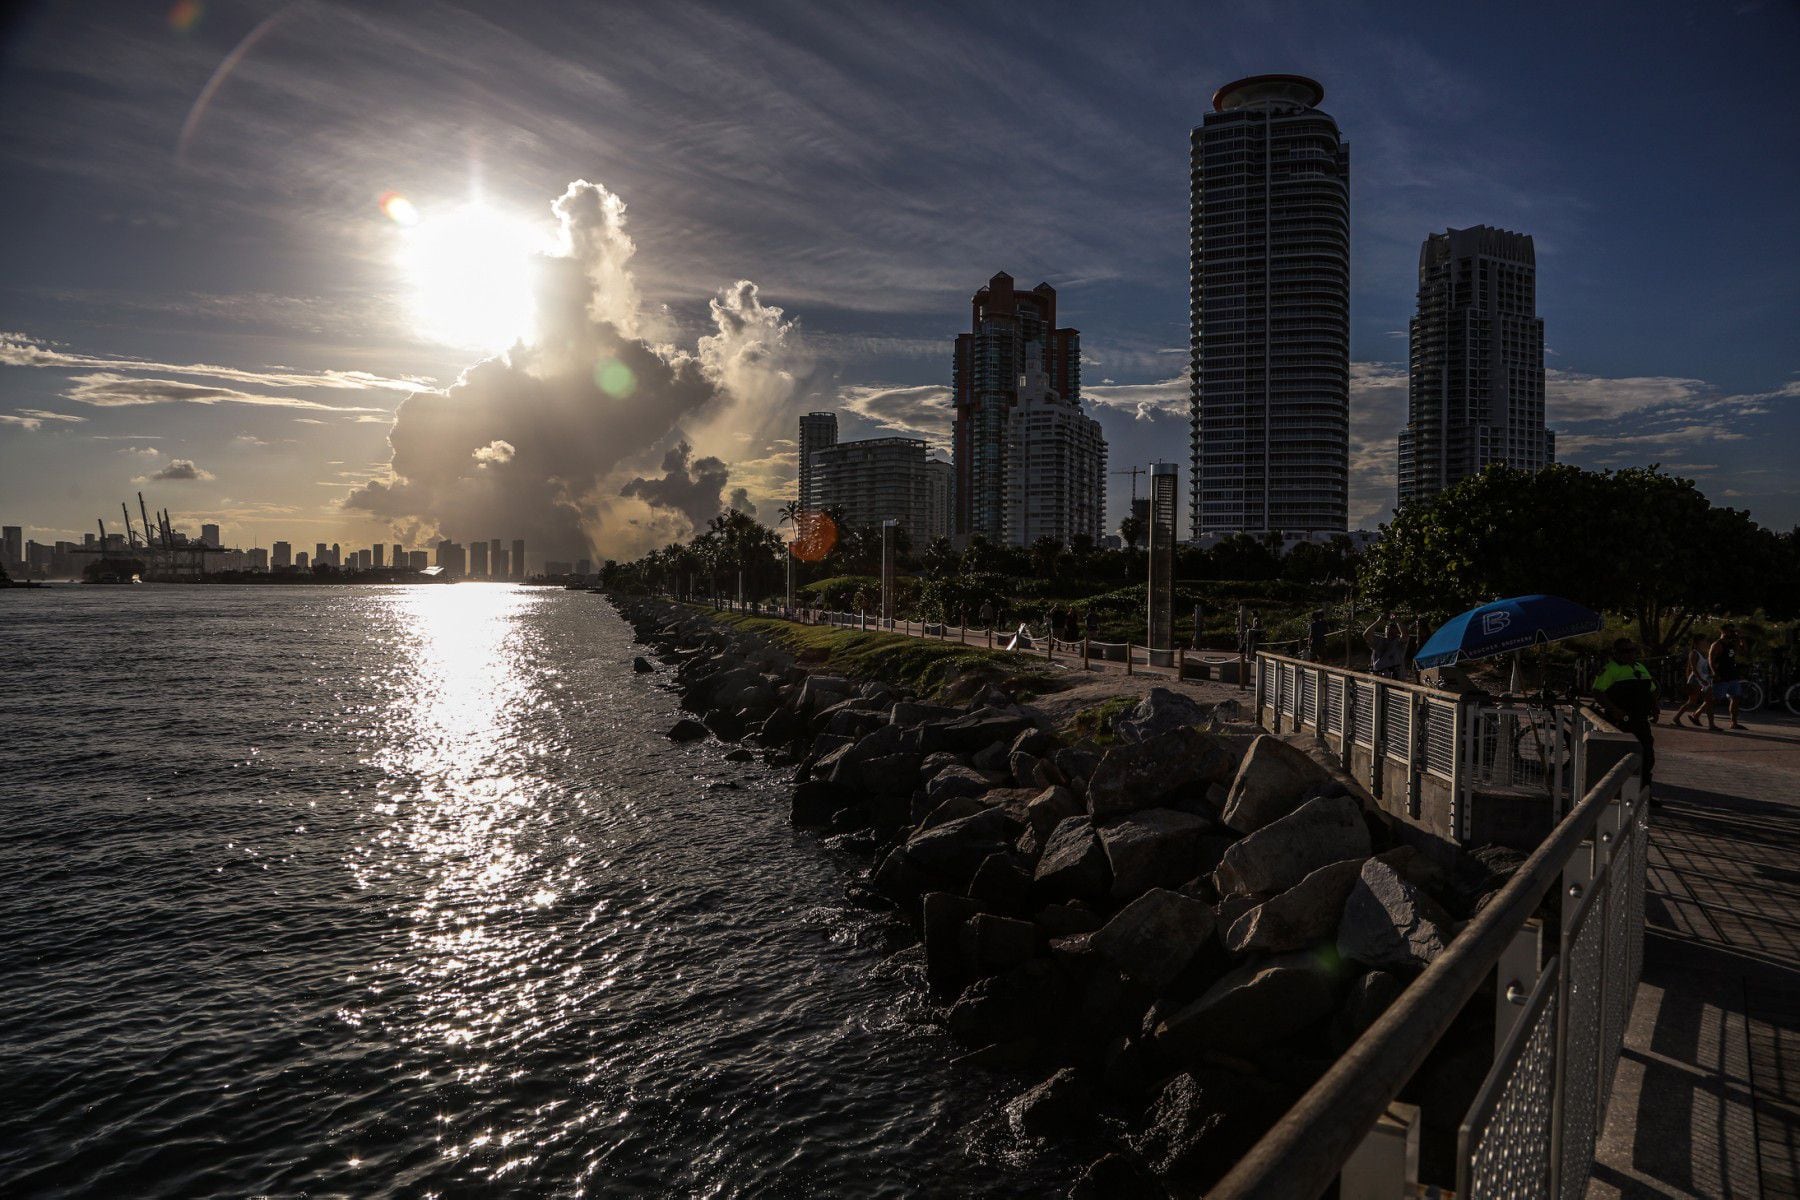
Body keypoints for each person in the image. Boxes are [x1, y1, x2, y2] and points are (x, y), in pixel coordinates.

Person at [1594, 637, 1659, 790]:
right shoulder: (1610, 669)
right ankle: (1620, 792)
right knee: (1621, 759)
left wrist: (1655, 707)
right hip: (1621, 721)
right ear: (1616, 653)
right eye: (1625, 651)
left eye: (1632, 650)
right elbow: (1598, 692)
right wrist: (1614, 710)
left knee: (1647, 757)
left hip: (1641, 720)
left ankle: (1644, 792)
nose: (1629, 654)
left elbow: (1651, 690)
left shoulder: (1640, 667)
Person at [1672, 630, 1717, 729]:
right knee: (1692, 701)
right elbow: (1694, 669)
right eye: (1704, 640)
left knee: (1709, 701)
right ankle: (1676, 717)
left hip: (1705, 680)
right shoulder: (1694, 653)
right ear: (1698, 641)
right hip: (1696, 680)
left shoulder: (1704, 653)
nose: (1706, 642)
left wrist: (1710, 675)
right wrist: (1701, 679)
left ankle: (1711, 724)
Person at [1710, 624, 1748, 731]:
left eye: (1733, 631)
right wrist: (1715, 673)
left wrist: (1741, 637)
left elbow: (1744, 652)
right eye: (1730, 631)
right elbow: (1711, 660)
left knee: (1736, 698)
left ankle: (1734, 723)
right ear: (1723, 631)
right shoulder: (1717, 644)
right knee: (1715, 700)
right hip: (1721, 676)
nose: (1732, 633)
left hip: (1733, 676)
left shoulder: (1732, 644)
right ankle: (1710, 723)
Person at [1365, 614, 1408, 679]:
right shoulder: (1379, 640)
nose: (1389, 631)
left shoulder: (1399, 642)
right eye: (1388, 628)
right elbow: (1366, 635)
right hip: (1378, 677)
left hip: (1394, 679)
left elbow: (1405, 634)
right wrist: (1378, 621)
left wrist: (1397, 621)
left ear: (1397, 631)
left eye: (1392, 629)